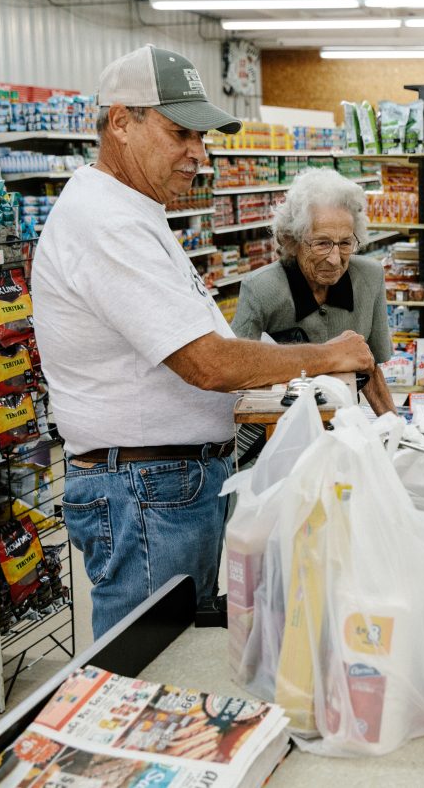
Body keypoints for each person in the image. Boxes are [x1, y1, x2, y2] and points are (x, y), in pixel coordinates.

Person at [31, 45, 375, 638]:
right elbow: (208, 363)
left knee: (175, 663)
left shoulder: (135, 211)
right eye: (180, 132)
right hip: (144, 493)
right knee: (143, 673)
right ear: (121, 122)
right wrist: (326, 354)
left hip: (167, 486)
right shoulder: (105, 223)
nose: (198, 153)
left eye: (203, 136)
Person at [232, 168, 395, 415]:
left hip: (344, 427)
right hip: (279, 428)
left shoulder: (370, 278)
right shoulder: (261, 289)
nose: (335, 259)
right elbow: (236, 374)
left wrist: (394, 431)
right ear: (291, 240)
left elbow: (371, 367)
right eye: (322, 243)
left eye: (345, 243)